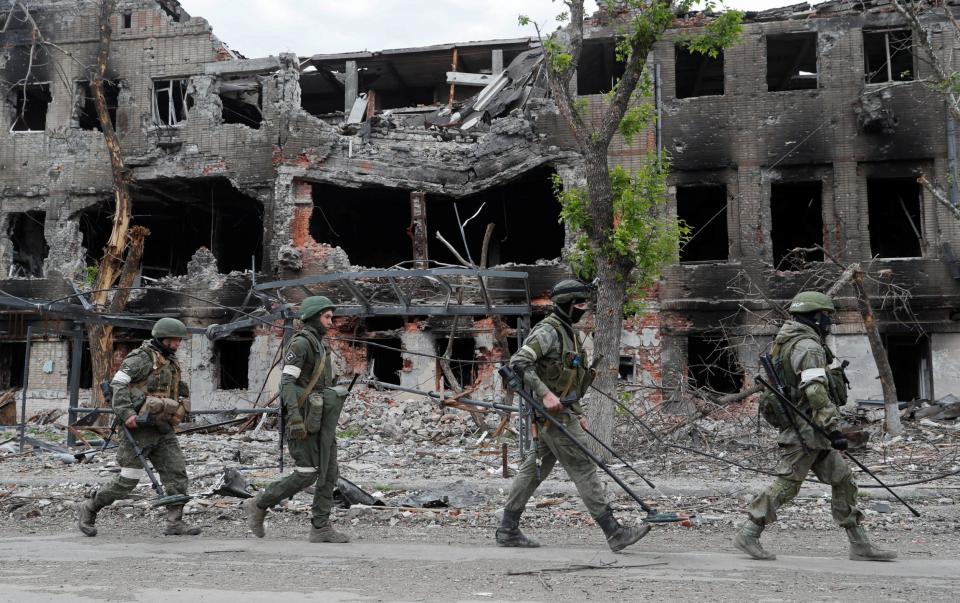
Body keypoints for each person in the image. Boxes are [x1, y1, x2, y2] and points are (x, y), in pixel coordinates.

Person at [734, 291, 897, 561]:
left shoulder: (789, 341)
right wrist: (833, 429)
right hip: (807, 430)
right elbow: (815, 391)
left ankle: (859, 544)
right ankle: (748, 534)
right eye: (826, 316)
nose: (829, 321)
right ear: (815, 317)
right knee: (788, 485)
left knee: (843, 480)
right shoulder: (807, 347)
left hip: (812, 429)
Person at [496, 279, 649, 552]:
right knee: (585, 467)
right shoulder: (548, 332)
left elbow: (570, 379)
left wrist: (576, 411)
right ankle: (614, 532)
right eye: (579, 304)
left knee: (534, 470)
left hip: (563, 413)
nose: (583, 308)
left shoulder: (569, 333)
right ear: (565, 305)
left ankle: (507, 529)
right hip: (552, 415)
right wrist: (544, 393)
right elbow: (519, 362)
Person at [77, 317, 199, 537]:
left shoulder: (170, 361)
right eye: (173, 340)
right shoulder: (140, 359)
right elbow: (118, 385)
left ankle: (175, 522)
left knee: (176, 472)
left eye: (179, 341)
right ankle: (90, 507)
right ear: (161, 338)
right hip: (138, 430)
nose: (177, 344)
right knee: (128, 480)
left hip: (163, 428)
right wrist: (127, 413)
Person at [243, 296, 350, 542]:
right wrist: (294, 417)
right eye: (327, 316)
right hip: (302, 419)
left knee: (329, 472)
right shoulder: (301, 344)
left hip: (321, 419)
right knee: (306, 472)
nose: (331, 321)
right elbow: (287, 383)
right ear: (314, 317)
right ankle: (259, 503)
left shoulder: (320, 345)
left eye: (331, 316)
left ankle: (320, 527)